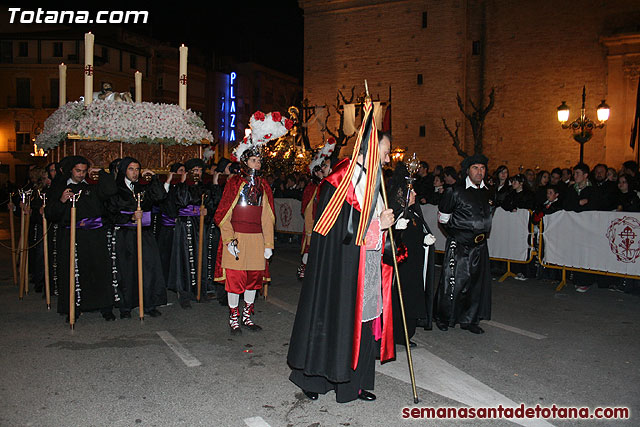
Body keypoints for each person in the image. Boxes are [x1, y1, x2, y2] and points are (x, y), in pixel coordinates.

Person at [287, 122, 395, 404]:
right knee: (332, 321)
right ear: (369, 149)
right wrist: (376, 226)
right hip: (340, 269)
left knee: (364, 324)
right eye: (384, 153)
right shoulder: (341, 180)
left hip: (366, 265)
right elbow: (337, 231)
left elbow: (373, 220)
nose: (387, 159)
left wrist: (390, 223)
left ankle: (353, 385)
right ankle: (314, 379)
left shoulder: (373, 179)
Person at [215, 111, 288, 334]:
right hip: (236, 237)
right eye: (254, 160)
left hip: (256, 239)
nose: (257, 164)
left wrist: (268, 244)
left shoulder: (264, 185)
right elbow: (223, 213)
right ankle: (234, 318)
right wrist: (228, 239)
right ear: (246, 161)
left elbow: (268, 216)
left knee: (252, 280)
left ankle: (247, 316)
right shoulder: (234, 183)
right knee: (235, 279)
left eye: (259, 161)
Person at [45, 156, 118, 322]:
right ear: (71, 170)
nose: (81, 174)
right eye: (78, 171)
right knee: (74, 272)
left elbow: (110, 191)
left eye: (84, 171)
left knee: (99, 270)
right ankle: (74, 307)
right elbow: (51, 213)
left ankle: (105, 306)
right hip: (73, 236)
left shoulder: (92, 187)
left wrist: (101, 173)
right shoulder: (61, 187)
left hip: (94, 236)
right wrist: (62, 200)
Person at [434, 153, 492, 334]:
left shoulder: (488, 192)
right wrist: (457, 237)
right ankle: (444, 317)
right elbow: (443, 219)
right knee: (453, 282)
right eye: (475, 168)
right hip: (459, 245)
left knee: (475, 284)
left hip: (480, 246)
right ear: (468, 171)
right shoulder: (455, 191)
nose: (479, 172)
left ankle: (469, 320)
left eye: (482, 168)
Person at [104, 157, 167, 319]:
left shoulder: (142, 188)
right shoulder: (116, 189)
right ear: (124, 170)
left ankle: (149, 303)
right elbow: (110, 214)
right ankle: (126, 306)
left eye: (137, 169)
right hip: (126, 235)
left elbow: (160, 196)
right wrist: (130, 218)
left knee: (149, 268)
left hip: (144, 234)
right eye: (131, 169)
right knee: (126, 270)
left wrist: (153, 178)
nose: (135, 173)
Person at [387, 162, 436, 343]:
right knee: (398, 299)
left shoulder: (414, 215)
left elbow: (419, 232)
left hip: (413, 265)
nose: (415, 194)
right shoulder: (395, 214)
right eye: (411, 192)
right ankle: (393, 334)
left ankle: (406, 333)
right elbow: (386, 239)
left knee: (411, 299)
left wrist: (425, 241)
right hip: (400, 267)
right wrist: (396, 231)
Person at [167, 158, 222, 308]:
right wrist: (184, 183)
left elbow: (214, 204)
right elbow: (182, 201)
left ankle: (200, 289)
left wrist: (207, 210)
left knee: (201, 257)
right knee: (185, 258)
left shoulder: (205, 188)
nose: (197, 173)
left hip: (200, 225)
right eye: (194, 170)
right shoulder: (181, 187)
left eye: (199, 170)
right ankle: (184, 293)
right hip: (185, 226)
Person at [298, 139, 335, 279]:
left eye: (322, 169)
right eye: (318, 170)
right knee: (309, 248)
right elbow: (306, 208)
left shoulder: (328, 185)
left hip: (325, 223)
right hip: (313, 223)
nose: (320, 172)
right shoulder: (311, 187)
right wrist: (310, 227)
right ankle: (304, 267)